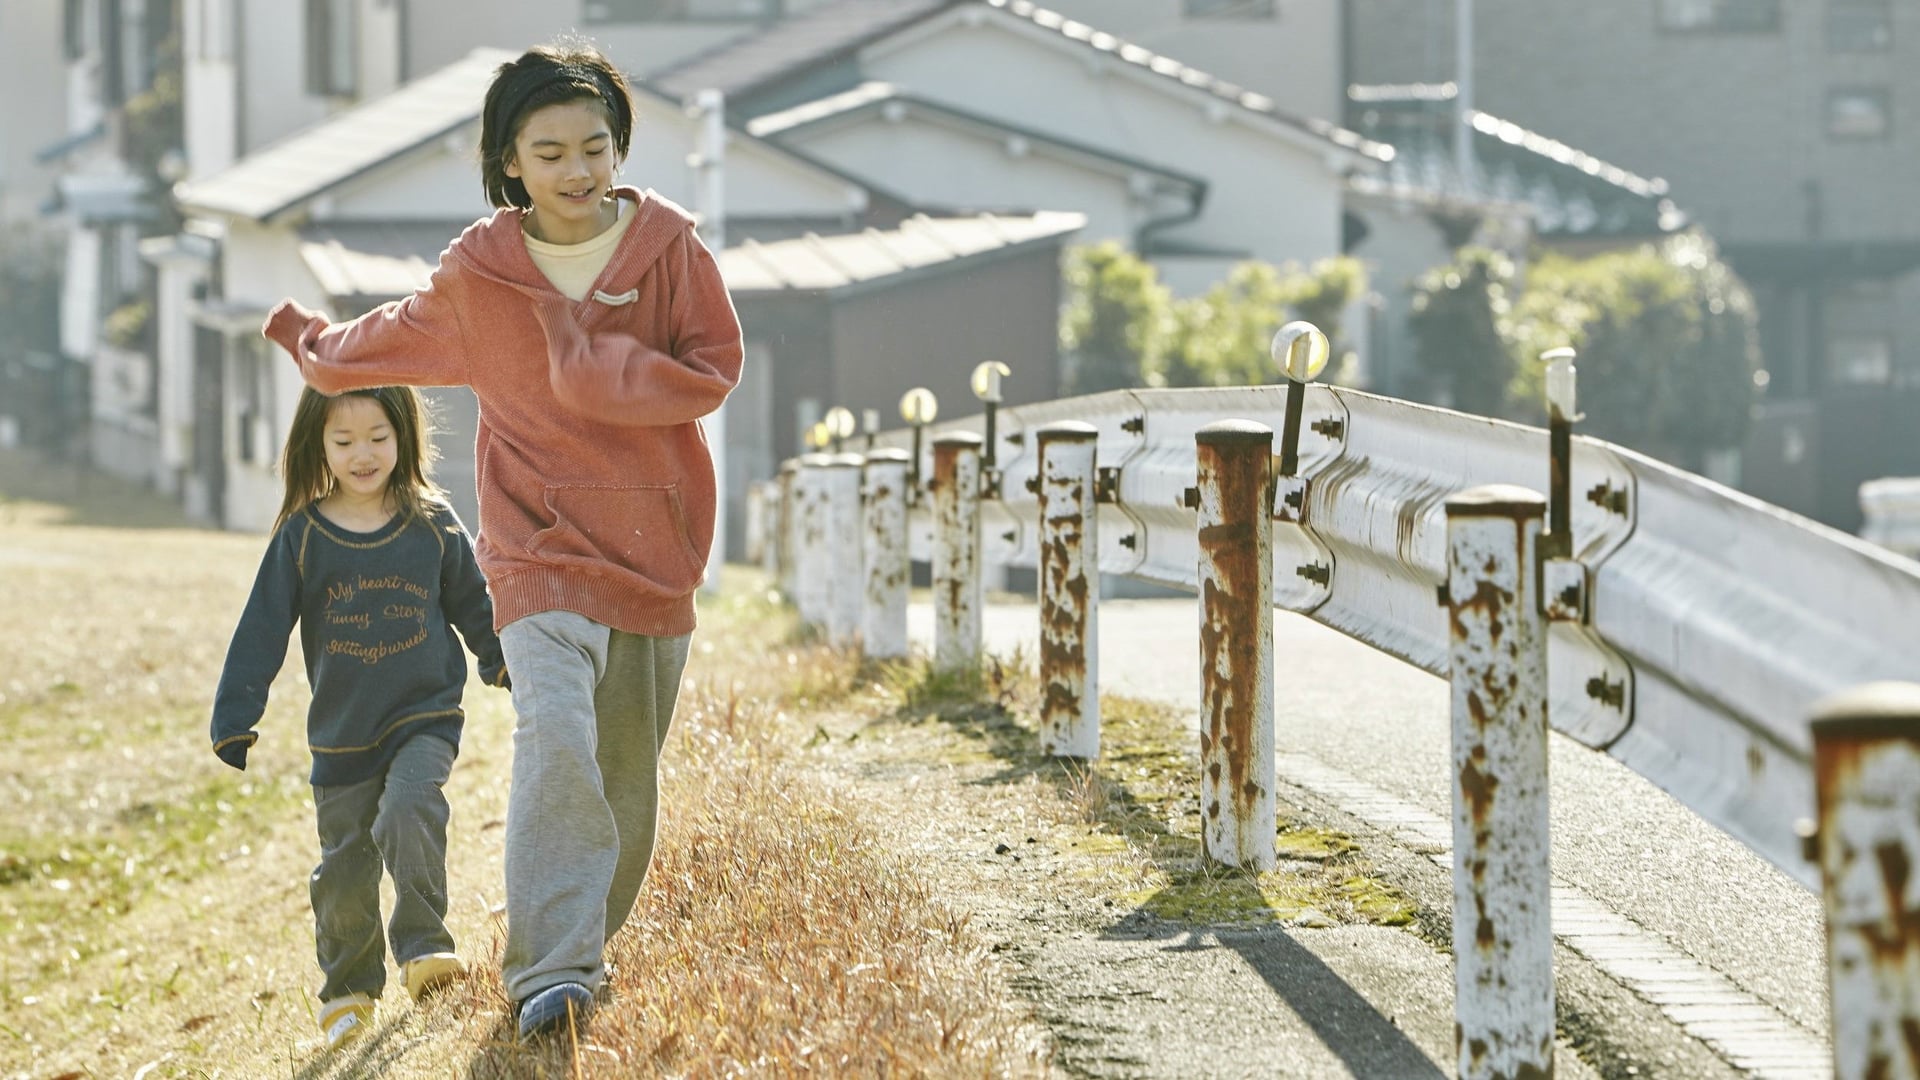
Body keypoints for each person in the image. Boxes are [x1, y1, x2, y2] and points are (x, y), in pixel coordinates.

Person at [260, 37, 744, 1042]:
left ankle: (582, 940)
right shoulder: (481, 279)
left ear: (619, 149)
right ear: (510, 163)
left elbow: (713, 369)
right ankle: (551, 974)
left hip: (653, 549)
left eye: (595, 147)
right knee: (555, 736)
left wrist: (606, 373)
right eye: (550, 152)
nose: (577, 171)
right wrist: (314, 347)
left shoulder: (672, 253)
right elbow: (382, 339)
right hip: (533, 553)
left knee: (625, 780)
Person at [209, 385, 509, 1050]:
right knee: (344, 865)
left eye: (377, 436)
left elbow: (474, 601)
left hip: (424, 715)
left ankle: (425, 949)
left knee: (410, 806)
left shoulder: (432, 522)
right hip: (342, 735)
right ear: (318, 445)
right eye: (343, 441)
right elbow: (261, 629)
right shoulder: (303, 536)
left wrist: (501, 661)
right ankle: (347, 992)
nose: (362, 454)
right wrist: (235, 714)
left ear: (404, 435)